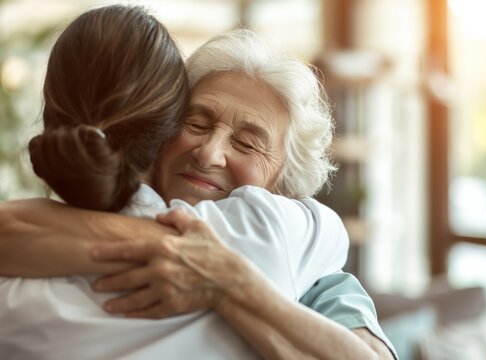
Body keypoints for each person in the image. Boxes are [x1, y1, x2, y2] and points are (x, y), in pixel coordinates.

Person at [0, 8, 397, 360]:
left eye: (246, 143)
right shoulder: (271, 233)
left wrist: (230, 281)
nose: (209, 154)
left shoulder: (307, 261)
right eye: (196, 124)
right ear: (162, 124)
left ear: (286, 183)